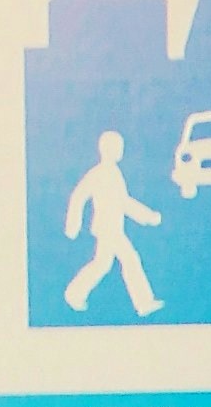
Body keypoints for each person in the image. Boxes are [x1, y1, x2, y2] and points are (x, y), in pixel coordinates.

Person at [64, 130, 164, 321]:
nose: (120, 151)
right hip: (108, 228)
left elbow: (122, 202)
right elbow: (80, 196)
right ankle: (143, 303)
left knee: (102, 264)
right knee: (130, 260)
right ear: (107, 149)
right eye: (118, 147)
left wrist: (148, 216)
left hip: (110, 228)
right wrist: (73, 225)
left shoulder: (112, 172)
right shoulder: (102, 173)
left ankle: (75, 294)